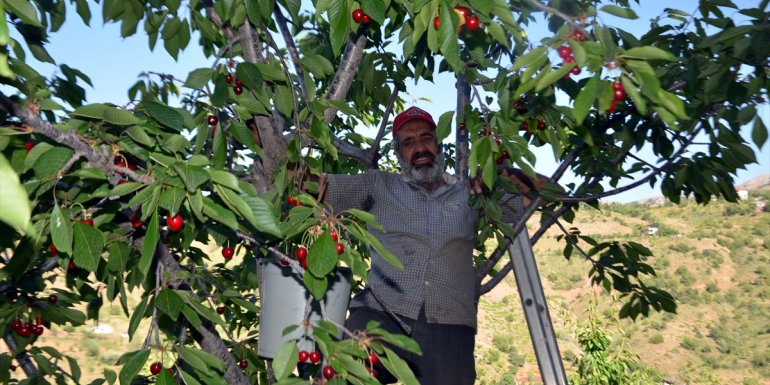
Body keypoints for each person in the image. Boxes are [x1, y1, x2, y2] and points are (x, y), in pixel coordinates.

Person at [319, 106, 544, 385]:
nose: (420, 148)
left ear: (438, 146)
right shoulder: (379, 185)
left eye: (426, 138)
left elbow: (542, 192)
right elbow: (318, 188)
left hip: (449, 323)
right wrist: (282, 157)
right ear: (399, 154)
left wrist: (499, 175)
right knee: (341, 371)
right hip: (381, 312)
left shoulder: (471, 194)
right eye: (409, 143)